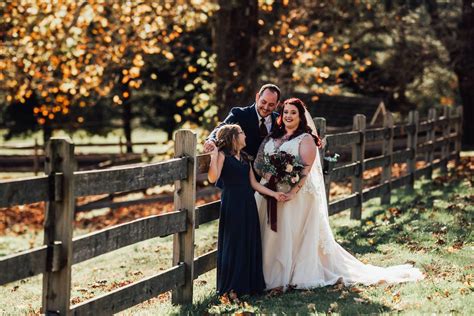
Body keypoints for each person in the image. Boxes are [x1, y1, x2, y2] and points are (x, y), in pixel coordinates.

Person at [254, 98, 424, 291]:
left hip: (296, 197)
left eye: (293, 112)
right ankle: (267, 273)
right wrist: (268, 175)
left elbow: (305, 171)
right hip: (268, 192)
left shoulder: (306, 139)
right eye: (285, 112)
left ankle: (289, 274)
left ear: (301, 116)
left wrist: (292, 191)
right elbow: (261, 162)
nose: (288, 116)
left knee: (290, 233)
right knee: (271, 235)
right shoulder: (273, 136)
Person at [208, 124, 286, 296]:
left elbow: (254, 184)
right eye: (242, 133)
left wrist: (274, 194)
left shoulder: (244, 157)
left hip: (248, 203)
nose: (245, 135)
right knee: (235, 242)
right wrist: (214, 156)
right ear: (233, 137)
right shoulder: (222, 155)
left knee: (248, 240)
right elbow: (213, 177)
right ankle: (233, 286)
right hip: (232, 203)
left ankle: (249, 284)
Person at [204, 83, 281, 158]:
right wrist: (211, 140)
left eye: (271, 105)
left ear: (277, 104)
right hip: (242, 167)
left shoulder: (279, 120)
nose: (266, 107)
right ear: (257, 97)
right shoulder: (240, 114)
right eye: (263, 102)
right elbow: (221, 128)